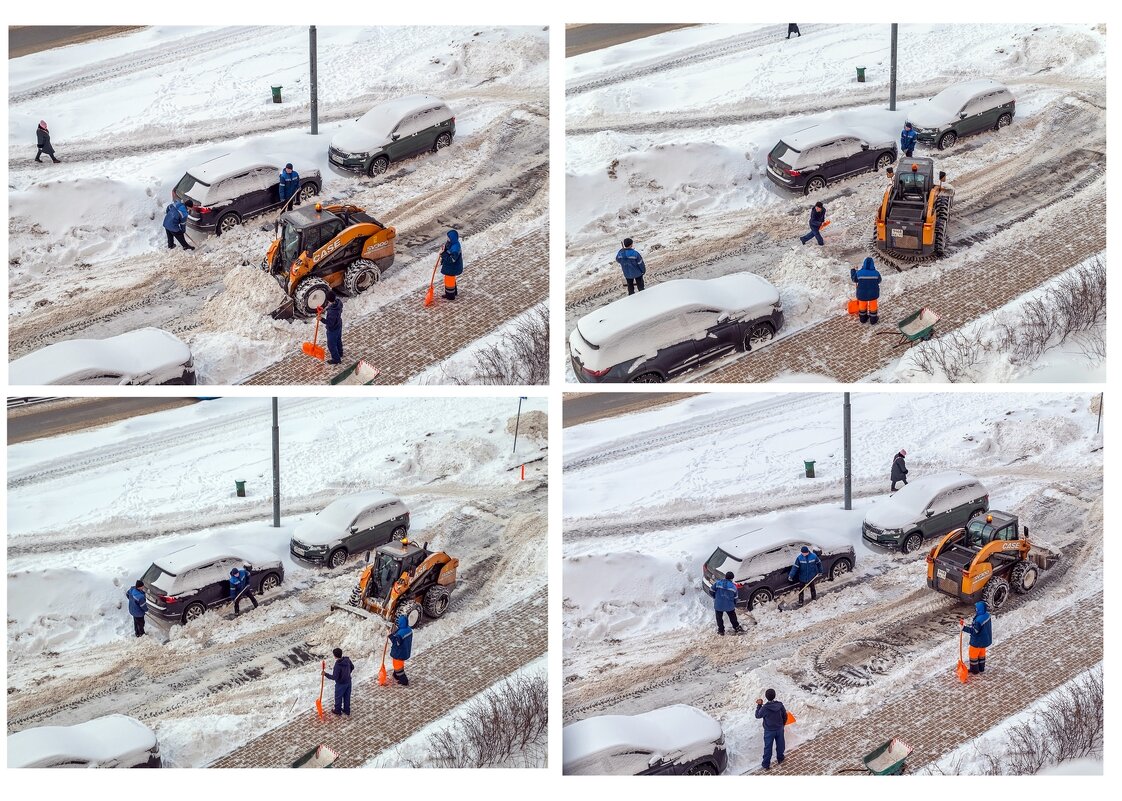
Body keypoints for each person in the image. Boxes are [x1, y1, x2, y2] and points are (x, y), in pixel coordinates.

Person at [755, 689, 788, 770]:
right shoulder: (780, 705)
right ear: (774, 695)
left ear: (766, 697)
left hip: (769, 731)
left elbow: (758, 715)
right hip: (779, 729)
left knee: (768, 747)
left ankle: (766, 764)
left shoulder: (765, 708)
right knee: (780, 744)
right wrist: (782, 724)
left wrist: (759, 705)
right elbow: (785, 715)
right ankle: (780, 758)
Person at [961, 601, 992, 674]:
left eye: (977, 608)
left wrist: (963, 628)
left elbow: (974, 631)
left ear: (979, 609)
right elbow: (981, 627)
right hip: (984, 641)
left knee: (973, 656)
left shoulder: (978, 620)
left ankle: (974, 670)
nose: (976, 609)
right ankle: (981, 668)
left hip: (977, 642)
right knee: (981, 654)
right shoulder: (987, 615)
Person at [323, 647, 355, 715]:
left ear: (335, 656)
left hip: (340, 684)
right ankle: (347, 710)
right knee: (347, 696)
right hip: (348, 682)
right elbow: (352, 667)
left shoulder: (338, 665)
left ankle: (337, 710)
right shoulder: (347, 659)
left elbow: (334, 677)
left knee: (338, 697)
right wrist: (347, 674)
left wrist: (325, 674)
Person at [850, 256, 881, 324]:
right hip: (873, 294)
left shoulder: (859, 273)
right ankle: (873, 320)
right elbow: (879, 281)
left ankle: (863, 319)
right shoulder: (876, 273)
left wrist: (853, 271)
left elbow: (854, 279)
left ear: (864, 264)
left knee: (862, 306)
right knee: (873, 306)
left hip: (862, 294)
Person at [713, 571, 744, 635]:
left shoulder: (718, 583)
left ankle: (721, 631)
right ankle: (737, 628)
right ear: (732, 578)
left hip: (718, 605)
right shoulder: (733, 587)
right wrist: (734, 603)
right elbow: (735, 598)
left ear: (725, 576)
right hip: (729, 606)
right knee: (732, 617)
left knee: (719, 618)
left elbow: (711, 590)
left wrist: (716, 598)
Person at [389, 613, 414, 686]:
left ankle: (404, 680)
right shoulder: (408, 629)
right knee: (400, 664)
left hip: (399, 653)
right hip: (404, 651)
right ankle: (396, 675)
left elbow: (396, 643)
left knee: (397, 666)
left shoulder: (400, 633)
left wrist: (391, 635)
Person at [440, 229, 464, 300]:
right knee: (450, 279)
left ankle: (450, 296)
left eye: (448, 237)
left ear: (452, 238)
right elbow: (448, 249)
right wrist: (444, 249)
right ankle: (453, 292)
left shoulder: (455, 249)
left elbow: (452, 259)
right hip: (450, 267)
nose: (447, 239)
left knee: (449, 280)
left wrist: (443, 254)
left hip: (452, 268)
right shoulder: (452, 243)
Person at [324, 289, 343, 365]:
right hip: (339, 324)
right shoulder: (338, 302)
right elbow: (331, 306)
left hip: (333, 329)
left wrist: (321, 319)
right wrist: (327, 308)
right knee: (338, 339)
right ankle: (340, 352)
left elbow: (330, 323)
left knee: (331, 344)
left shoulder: (332, 312)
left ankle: (336, 359)